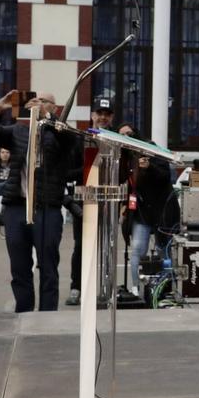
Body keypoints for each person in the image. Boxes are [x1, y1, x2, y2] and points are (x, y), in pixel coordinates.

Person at [0, 90, 81, 313]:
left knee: (48, 267)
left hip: (47, 208)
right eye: (37, 100)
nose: (39, 103)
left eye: (45, 101)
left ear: (54, 107)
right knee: (19, 266)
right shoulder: (17, 131)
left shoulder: (58, 131)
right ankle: (23, 312)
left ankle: (47, 317)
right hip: (16, 207)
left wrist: (47, 118)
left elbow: (71, 140)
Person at [66, 97, 115, 304]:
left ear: (111, 117)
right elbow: (69, 171)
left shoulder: (115, 139)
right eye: (99, 113)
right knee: (81, 246)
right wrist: (93, 165)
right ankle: (76, 288)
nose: (102, 117)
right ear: (92, 115)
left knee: (107, 245)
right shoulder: (80, 138)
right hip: (84, 197)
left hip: (109, 199)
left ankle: (104, 290)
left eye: (106, 114)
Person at [125, 153, 175, 289]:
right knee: (137, 249)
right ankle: (136, 287)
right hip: (142, 211)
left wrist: (149, 167)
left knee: (164, 250)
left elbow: (165, 177)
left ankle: (166, 287)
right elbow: (129, 184)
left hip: (162, 211)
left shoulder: (159, 158)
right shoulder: (129, 159)